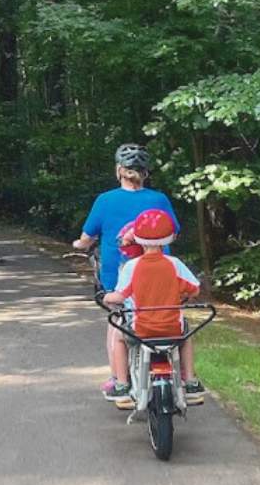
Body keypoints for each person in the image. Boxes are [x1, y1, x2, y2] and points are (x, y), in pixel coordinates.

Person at [70, 144, 194, 400]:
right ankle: (185, 378)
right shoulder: (159, 199)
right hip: (162, 276)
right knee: (170, 318)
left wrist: (79, 245)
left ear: (119, 171)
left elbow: (87, 238)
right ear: (145, 173)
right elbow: (175, 231)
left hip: (119, 278)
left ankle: (119, 380)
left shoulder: (105, 200)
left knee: (118, 322)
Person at [101, 209, 204, 404]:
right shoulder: (174, 264)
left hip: (142, 329)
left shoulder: (132, 267)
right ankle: (190, 381)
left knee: (118, 337)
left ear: (137, 238)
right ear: (170, 238)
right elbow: (195, 290)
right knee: (187, 335)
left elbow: (121, 295)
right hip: (172, 328)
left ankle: (121, 384)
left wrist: (107, 297)